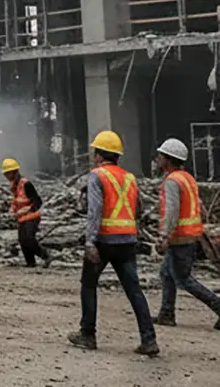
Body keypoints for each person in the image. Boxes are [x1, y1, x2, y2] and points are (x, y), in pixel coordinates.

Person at [69, 130, 159, 355]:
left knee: (88, 284)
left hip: (103, 241)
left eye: (95, 153)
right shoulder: (129, 178)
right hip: (127, 241)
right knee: (134, 290)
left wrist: (90, 242)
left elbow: (95, 211)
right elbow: (138, 209)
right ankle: (149, 339)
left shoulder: (97, 176)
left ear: (100, 155)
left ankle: (87, 334)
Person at [152, 138, 220, 329]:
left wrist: (164, 236)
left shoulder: (172, 181)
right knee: (166, 273)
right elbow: (199, 206)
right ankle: (166, 314)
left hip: (180, 237)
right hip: (189, 235)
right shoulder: (187, 178)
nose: (158, 159)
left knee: (184, 279)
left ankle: (218, 306)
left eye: (161, 156)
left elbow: (172, 211)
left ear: (168, 159)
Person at [1, 158, 50, 268]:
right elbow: (16, 200)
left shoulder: (26, 184)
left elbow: (38, 201)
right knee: (22, 240)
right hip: (22, 217)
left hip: (32, 216)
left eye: (7, 173)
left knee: (28, 238)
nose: (6, 176)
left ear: (14, 172)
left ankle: (46, 256)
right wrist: (12, 210)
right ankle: (30, 262)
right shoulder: (15, 185)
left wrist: (27, 210)